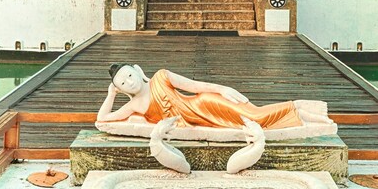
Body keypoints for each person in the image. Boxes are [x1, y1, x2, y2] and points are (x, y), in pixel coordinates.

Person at [97, 63, 333, 130]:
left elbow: (195, 86)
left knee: (257, 117)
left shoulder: (161, 76)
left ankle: (305, 111)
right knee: (256, 121)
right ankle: (309, 117)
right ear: (122, 89)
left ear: (137, 70)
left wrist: (221, 89)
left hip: (206, 103)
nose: (129, 81)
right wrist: (110, 94)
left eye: (129, 75)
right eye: (122, 83)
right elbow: (103, 119)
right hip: (200, 120)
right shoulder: (134, 105)